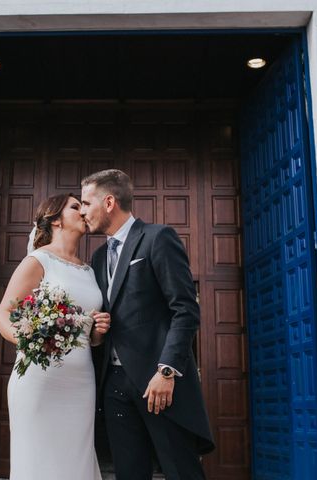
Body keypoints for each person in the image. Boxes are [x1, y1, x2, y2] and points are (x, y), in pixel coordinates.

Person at [80, 169, 215, 480]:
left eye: (87, 203)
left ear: (109, 202)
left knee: (181, 470)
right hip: (114, 384)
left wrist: (166, 370)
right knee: (128, 473)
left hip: (158, 383)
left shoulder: (157, 238)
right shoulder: (99, 257)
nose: (83, 211)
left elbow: (185, 310)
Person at [0, 193, 111, 480]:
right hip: (40, 379)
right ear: (56, 219)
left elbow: (89, 334)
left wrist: (97, 333)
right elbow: (2, 316)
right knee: (38, 460)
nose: (83, 211)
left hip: (81, 381)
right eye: (76, 207)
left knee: (75, 458)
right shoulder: (38, 260)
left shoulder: (89, 270)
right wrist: (30, 342)